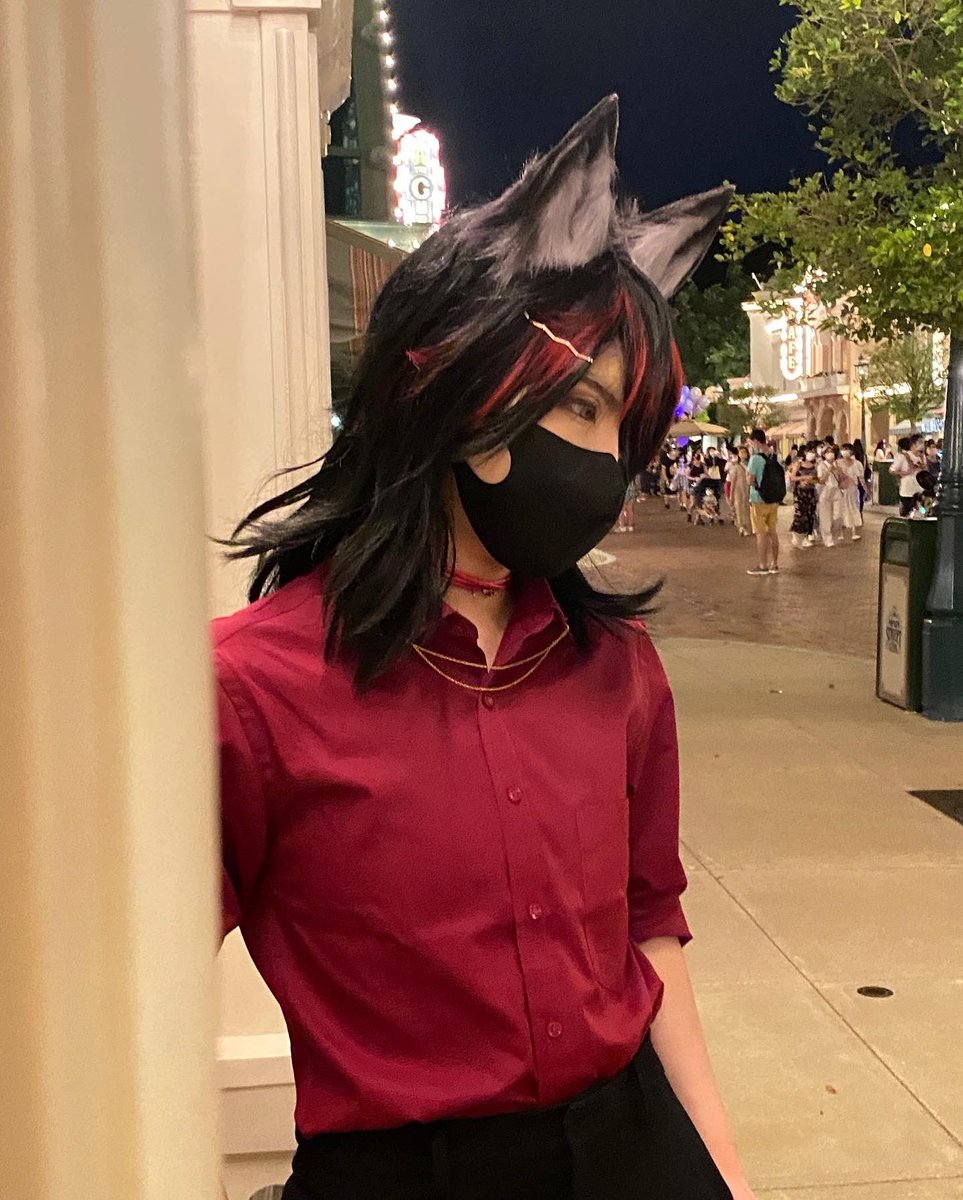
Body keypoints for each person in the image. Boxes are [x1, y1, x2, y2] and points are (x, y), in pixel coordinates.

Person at [214, 97, 746, 1200]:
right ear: (453, 381)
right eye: (584, 407)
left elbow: (651, 932)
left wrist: (725, 1175)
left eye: (629, 431)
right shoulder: (248, 689)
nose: (607, 466)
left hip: (634, 1147)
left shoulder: (617, 671)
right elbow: (129, 1004)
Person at [746, 429, 785, 575]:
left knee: (761, 533)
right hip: (774, 498)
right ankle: (775, 564)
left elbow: (750, 480)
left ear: (756, 441)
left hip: (759, 499)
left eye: (751, 442)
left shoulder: (755, 459)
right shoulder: (776, 456)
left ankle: (763, 565)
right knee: (772, 532)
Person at [788, 448, 818, 548]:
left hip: (811, 492)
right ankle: (797, 535)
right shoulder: (798, 464)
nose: (812, 454)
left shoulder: (815, 465)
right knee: (800, 513)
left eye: (813, 452)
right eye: (810, 451)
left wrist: (811, 481)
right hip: (800, 492)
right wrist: (803, 478)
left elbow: (817, 479)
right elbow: (792, 477)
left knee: (810, 513)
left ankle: (807, 535)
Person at [816, 445, 845, 547]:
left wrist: (838, 470)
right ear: (824, 455)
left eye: (832, 452)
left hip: (836, 490)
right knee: (825, 517)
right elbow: (821, 480)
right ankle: (828, 539)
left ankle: (835, 535)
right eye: (828, 452)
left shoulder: (837, 464)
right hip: (826, 490)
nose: (830, 454)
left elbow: (841, 478)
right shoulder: (821, 465)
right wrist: (829, 470)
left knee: (838, 516)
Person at [890, 434, 926, 516]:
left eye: (923, 442)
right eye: (920, 442)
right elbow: (892, 470)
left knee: (922, 511)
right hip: (907, 491)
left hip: (919, 490)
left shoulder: (922, 457)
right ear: (913, 444)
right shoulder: (902, 456)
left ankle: (921, 515)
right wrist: (901, 473)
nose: (922, 445)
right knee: (907, 513)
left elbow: (925, 471)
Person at [836, 444, 864, 541]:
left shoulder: (857, 464)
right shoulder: (837, 463)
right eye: (843, 449)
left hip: (852, 490)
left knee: (853, 508)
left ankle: (854, 532)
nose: (845, 451)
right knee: (841, 509)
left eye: (847, 449)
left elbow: (861, 478)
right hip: (841, 489)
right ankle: (841, 533)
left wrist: (866, 489)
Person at [727, 446, 752, 536]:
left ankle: (747, 527)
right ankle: (741, 526)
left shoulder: (750, 465)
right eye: (741, 452)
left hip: (748, 489)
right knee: (739, 508)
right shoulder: (736, 466)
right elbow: (733, 481)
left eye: (744, 452)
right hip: (738, 490)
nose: (743, 454)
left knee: (747, 509)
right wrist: (731, 494)